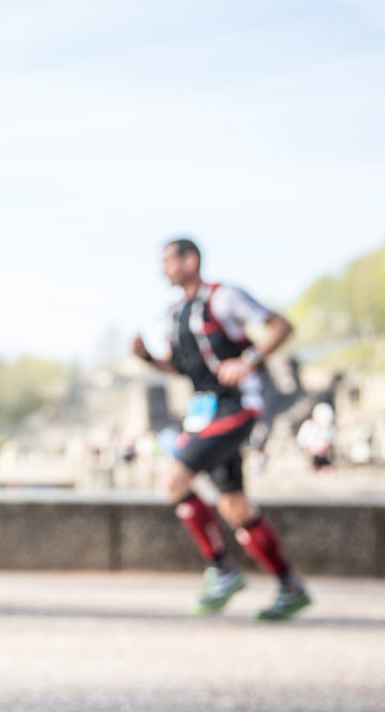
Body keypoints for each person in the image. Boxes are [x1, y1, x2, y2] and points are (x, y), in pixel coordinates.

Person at [132, 238, 311, 621]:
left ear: (190, 260)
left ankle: (222, 569)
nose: (163, 269)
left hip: (236, 407)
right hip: (205, 411)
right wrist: (147, 359)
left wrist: (250, 360)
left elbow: (280, 326)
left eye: (169, 260)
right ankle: (289, 586)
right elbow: (182, 368)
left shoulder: (224, 297)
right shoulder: (175, 313)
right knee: (234, 506)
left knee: (173, 478)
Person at [296, 402, 337, 471]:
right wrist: (311, 449)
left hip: (324, 457)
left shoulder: (329, 430)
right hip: (311, 457)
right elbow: (302, 443)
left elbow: (330, 444)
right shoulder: (308, 427)